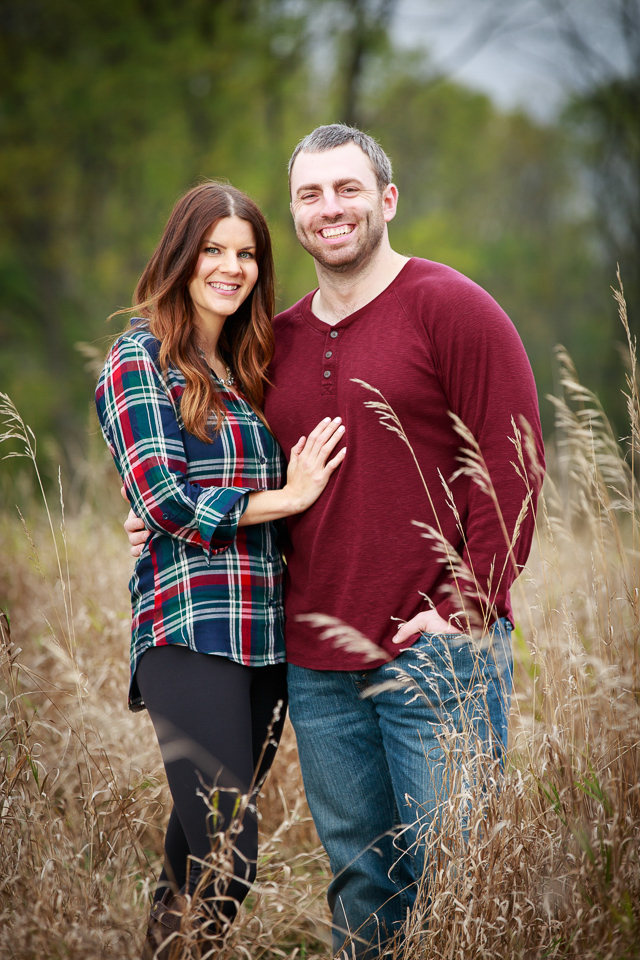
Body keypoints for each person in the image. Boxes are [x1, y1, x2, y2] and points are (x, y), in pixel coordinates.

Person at [126, 127, 545, 959]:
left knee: (458, 877)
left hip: (435, 650)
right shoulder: (268, 341)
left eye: (348, 190)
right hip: (315, 661)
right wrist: (150, 513)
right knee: (362, 879)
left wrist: (467, 607)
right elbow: (204, 456)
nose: (331, 210)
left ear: (387, 200)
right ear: (295, 212)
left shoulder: (452, 307)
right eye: (312, 194)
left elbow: (513, 463)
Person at [96, 180, 346, 959]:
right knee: (227, 857)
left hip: (265, 637)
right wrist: (285, 495)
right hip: (190, 629)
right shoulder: (140, 357)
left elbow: (178, 500)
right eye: (214, 250)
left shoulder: (247, 364)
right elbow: (166, 500)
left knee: (190, 857)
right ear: (181, 255)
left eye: (246, 254)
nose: (231, 268)